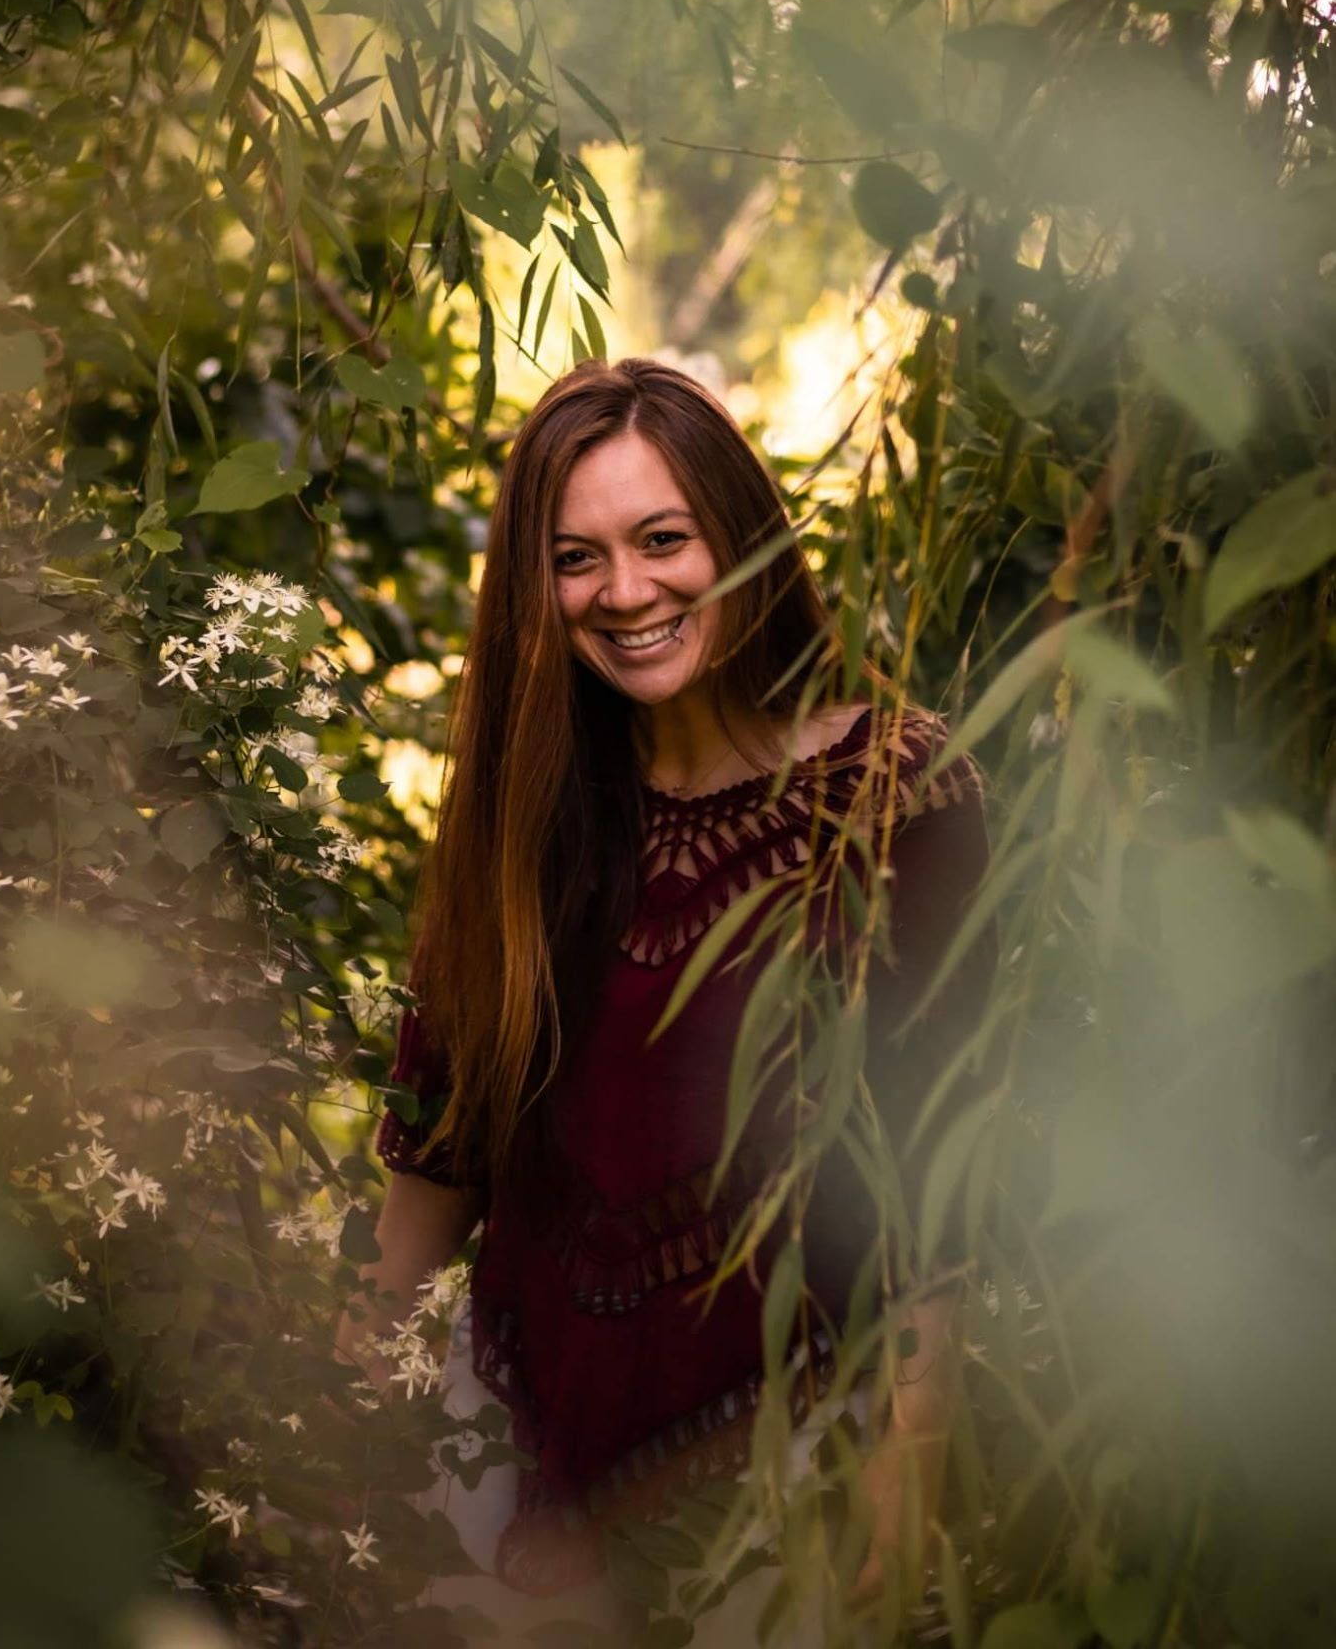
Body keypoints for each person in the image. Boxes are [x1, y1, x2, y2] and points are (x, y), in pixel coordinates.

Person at [335, 357, 998, 1639]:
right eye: (577, 557)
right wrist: (322, 1402)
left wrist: (913, 1445)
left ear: (738, 541)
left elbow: (942, 1154)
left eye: (662, 540)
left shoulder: (897, 795)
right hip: (518, 1440)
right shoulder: (520, 815)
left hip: (795, 1436)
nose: (625, 592)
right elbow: (441, 1143)